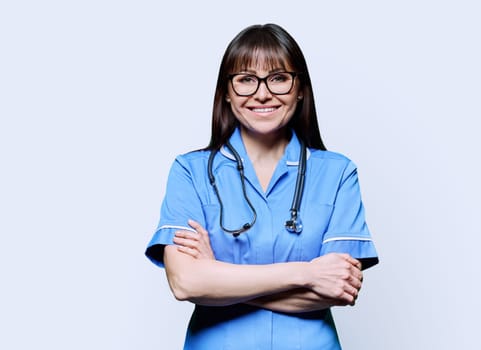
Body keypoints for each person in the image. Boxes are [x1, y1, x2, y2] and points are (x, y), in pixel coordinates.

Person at [145, 23, 379, 350]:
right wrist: (307, 273)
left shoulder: (338, 173)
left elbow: (339, 288)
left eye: (279, 78)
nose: (262, 93)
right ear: (226, 92)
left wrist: (217, 277)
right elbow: (185, 282)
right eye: (245, 80)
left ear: (300, 88)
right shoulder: (190, 171)